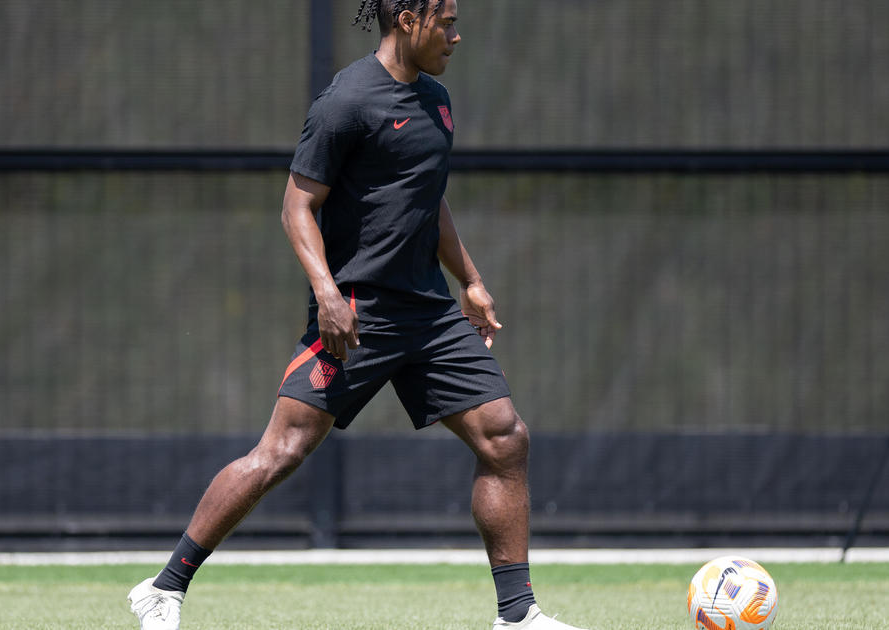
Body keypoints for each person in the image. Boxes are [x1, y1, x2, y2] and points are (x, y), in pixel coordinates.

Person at [128, 1, 589, 628]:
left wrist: (472, 281)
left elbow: (428, 198)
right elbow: (296, 207)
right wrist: (325, 294)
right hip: (356, 316)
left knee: (505, 437)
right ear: (406, 18)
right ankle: (164, 587)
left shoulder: (438, 100)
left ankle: (517, 615)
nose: (457, 33)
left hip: (428, 314)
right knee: (281, 452)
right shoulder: (345, 101)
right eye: (446, 21)